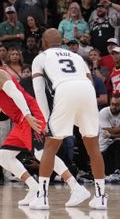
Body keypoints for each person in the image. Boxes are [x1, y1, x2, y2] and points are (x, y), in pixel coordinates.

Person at [0, 45, 90, 207]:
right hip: (21, 120)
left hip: (30, 114)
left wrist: (27, 116)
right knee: (3, 156)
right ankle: (34, 188)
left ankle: (76, 187)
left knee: (42, 153)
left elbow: (17, 94)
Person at [30, 28, 107, 210]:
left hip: (65, 90)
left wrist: (45, 118)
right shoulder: (77, 56)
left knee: (51, 145)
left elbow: (39, 90)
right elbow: (89, 80)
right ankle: (101, 197)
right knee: (93, 146)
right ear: (61, 42)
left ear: (44, 43)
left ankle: (42, 197)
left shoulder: (41, 58)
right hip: (87, 91)